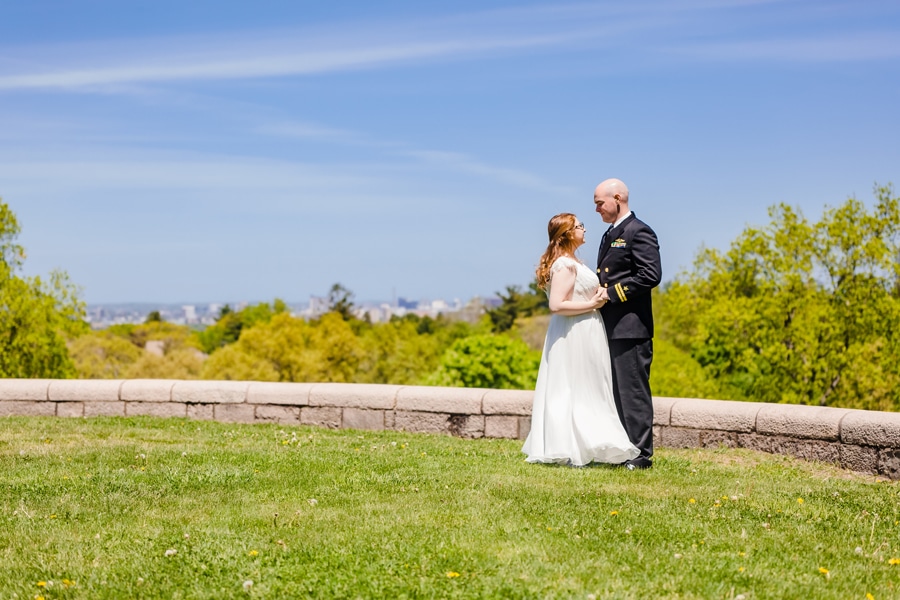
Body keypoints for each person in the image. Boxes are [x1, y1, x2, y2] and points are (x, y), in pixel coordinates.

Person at [522, 213, 640, 467]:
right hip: (573, 331)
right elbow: (557, 305)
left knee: (589, 386)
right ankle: (571, 445)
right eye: (579, 226)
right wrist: (591, 304)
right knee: (572, 386)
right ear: (566, 233)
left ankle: (589, 442)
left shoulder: (575, 261)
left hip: (587, 328)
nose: (584, 229)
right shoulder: (564, 264)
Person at [594, 179, 662, 470]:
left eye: (600, 203)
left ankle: (641, 454)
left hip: (631, 328)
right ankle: (624, 448)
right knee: (616, 391)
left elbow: (650, 275)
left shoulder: (639, 231)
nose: (596, 209)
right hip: (610, 327)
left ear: (618, 198)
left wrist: (610, 293)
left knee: (632, 391)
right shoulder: (611, 234)